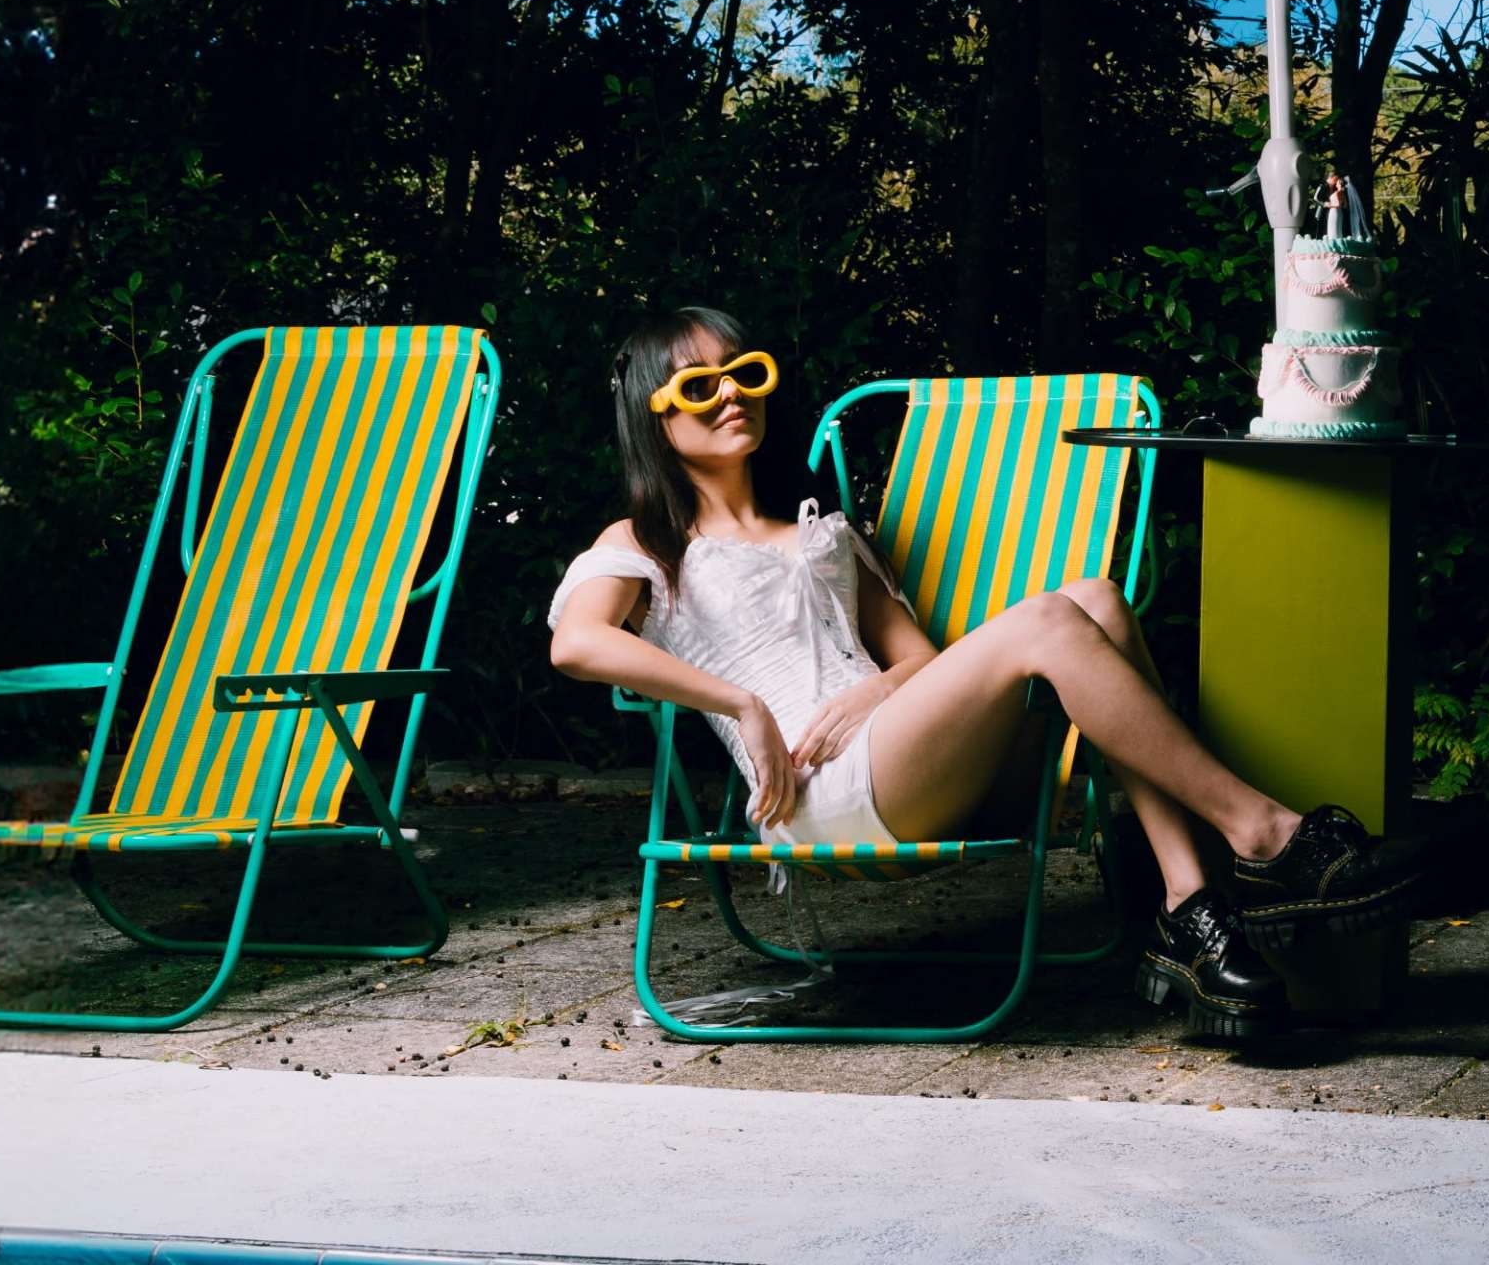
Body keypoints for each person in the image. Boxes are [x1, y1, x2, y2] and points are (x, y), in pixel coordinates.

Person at [546, 306, 1427, 1040]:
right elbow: (576, 645)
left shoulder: (826, 532)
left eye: (746, 371)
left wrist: (876, 689)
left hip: (908, 758)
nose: (731, 393)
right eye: (700, 385)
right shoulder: (647, 545)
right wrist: (741, 705)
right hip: (819, 796)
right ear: (654, 418)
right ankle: (1263, 834)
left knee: (1097, 597)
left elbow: (919, 661)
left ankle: (1189, 904)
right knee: (1049, 616)